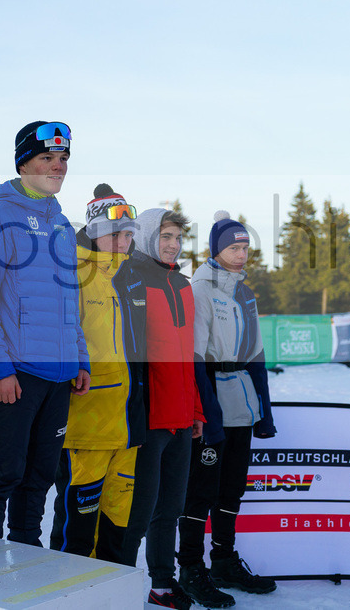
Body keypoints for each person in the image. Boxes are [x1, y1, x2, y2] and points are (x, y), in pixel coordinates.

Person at [0, 121, 91, 545]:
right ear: (23, 164)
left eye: (63, 159)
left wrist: (80, 359)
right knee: (3, 472)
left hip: (59, 374)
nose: (57, 167)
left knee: (39, 476)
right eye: (46, 158)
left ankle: (26, 554)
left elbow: (69, 303)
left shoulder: (62, 226)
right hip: (16, 373)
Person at [176, 211, 277, 606]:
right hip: (212, 402)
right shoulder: (200, 290)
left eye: (246, 246)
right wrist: (206, 413)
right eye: (234, 247)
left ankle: (223, 561)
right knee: (201, 490)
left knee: (232, 486)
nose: (242, 254)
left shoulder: (244, 292)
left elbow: (256, 354)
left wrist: (265, 412)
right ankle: (190, 568)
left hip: (242, 404)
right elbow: (195, 358)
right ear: (217, 250)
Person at [49, 184, 147, 562]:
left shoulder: (128, 276)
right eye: (120, 233)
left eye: (129, 233)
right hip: (87, 424)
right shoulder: (72, 272)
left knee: (117, 527)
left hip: (127, 425)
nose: (127, 240)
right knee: (77, 530)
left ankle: (113, 595)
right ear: (97, 232)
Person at [117, 207, 205, 610]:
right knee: (139, 509)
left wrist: (197, 410)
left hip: (182, 417)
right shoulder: (130, 277)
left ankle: (162, 583)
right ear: (148, 236)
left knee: (170, 508)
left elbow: (187, 356)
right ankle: (118, 580)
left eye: (178, 239)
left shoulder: (184, 285)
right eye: (166, 237)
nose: (173, 245)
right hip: (148, 415)